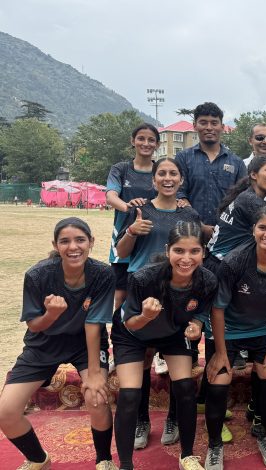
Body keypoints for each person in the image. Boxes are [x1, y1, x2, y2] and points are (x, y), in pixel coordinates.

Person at [0, 218, 115, 469]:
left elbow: (94, 324)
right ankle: (38, 459)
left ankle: (104, 460)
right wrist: (51, 314)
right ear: (55, 245)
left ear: (91, 242)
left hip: (85, 343)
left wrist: (94, 373)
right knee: (6, 412)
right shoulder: (37, 275)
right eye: (65, 241)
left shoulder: (103, 274)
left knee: (96, 398)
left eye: (80, 240)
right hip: (43, 343)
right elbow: (34, 325)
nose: (73, 247)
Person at [112, 222, 217, 470]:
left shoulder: (207, 280)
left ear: (203, 252)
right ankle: (125, 464)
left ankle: (187, 456)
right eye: (179, 250)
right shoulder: (143, 278)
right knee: (129, 395)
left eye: (194, 251)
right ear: (168, 250)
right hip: (132, 335)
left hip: (172, 332)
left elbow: (201, 310)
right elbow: (130, 323)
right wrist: (146, 316)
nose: (186, 259)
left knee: (185, 388)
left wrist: (197, 324)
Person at [115, 157, 202, 449]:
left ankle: (174, 418)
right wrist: (131, 231)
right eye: (161, 173)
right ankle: (141, 419)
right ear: (153, 180)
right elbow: (121, 252)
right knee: (142, 357)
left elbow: (196, 252)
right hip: (142, 289)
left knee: (179, 358)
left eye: (173, 173)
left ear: (180, 180)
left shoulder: (189, 213)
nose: (168, 178)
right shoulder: (139, 209)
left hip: (178, 292)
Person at [205, 204, 266, 468]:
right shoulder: (234, 261)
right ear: (253, 229)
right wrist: (221, 353)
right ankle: (214, 445)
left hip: (263, 329)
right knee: (218, 383)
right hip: (227, 331)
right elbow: (217, 309)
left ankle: (265, 434)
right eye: (263, 228)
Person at [105, 123, 159, 309]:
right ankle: (119, 326)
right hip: (124, 236)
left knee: (151, 293)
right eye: (141, 138)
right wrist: (127, 206)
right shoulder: (121, 169)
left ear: (157, 144)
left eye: (151, 140)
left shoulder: (160, 170)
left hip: (152, 239)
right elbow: (111, 196)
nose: (146, 143)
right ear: (133, 141)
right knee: (121, 294)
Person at [175, 102, 247, 236]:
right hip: (189, 234)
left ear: (222, 127)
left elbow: (242, 199)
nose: (209, 128)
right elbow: (179, 194)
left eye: (214, 123)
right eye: (203, 123)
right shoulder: (183, 158)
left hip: (227, 235)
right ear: (195, 125)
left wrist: (223, 227)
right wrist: (199, 225)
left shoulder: (237, 163)